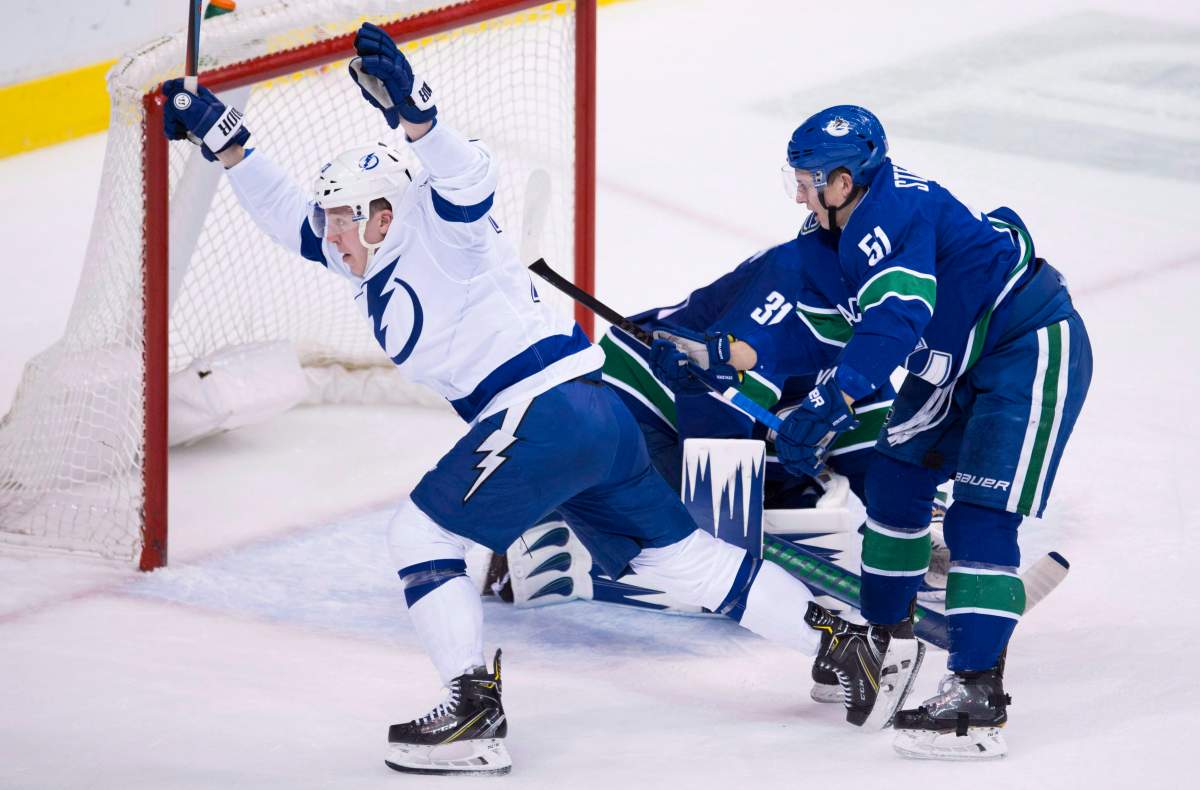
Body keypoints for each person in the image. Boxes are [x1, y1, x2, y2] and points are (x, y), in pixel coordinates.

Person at [160, 23, 879, 777]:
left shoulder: (444, 229)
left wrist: (417, 113)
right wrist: (226, 140)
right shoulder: (370, 257)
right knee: (684, 563)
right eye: (332, 219)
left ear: (383, 212)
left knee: (422, 539)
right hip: (593, 415)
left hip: (542, 415)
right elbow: (289, 219)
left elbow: (468, 174)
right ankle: (844, 645)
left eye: (344, 218)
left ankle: (471, 707)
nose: (331, 233)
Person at [774, 105, 1092, 759]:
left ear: (845, 180)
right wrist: (729, 356)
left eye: (809, 179)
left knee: (980, 517)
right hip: (952, 364)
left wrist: (832, 402)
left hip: (1025, 347)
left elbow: (894, 319)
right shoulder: (825, 235)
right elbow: (829, 333)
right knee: (893, 482)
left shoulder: (892, 216)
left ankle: (978, 701)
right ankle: (884, 641)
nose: (799, 191)